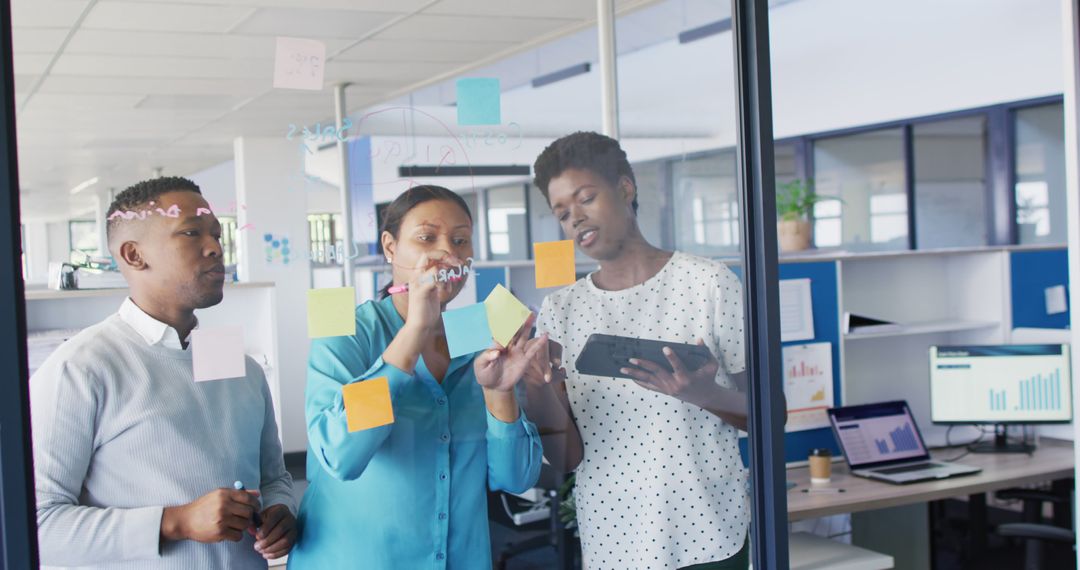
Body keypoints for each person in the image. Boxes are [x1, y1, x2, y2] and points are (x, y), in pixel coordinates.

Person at [526, 132, 772, 570]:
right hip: (614, 538)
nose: (576, 219)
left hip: (710, 533)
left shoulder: (709, 285)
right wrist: (538, 388)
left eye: (586, 198)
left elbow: (773, 416)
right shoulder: (561, 311)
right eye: (563, 213)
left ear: (625, 188)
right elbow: (565, 459)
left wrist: (706, 395)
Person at [31, 176, 296, 569]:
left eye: (217, 234)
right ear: (134, 255)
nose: (215, 249)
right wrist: (174, 522)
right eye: (191, 233)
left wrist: (281, 512)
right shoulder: (81, 369)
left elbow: (274, 478)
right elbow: (37, 524)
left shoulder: (243, 369)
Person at [288, 185, 544, 569]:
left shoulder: (480, 338)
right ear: (390, 247)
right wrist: (413, 332)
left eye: (461, 240)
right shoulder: (346, 333)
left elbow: (516, 478)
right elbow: (343, 456)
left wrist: (499, 392)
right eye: (427, 237)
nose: (448, 252)